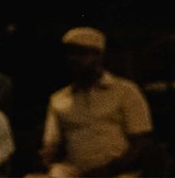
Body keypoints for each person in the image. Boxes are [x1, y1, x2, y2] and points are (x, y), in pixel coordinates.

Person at [35, 27, 153, 177]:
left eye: (81, 53)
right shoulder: (59, 99)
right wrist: (47, 157)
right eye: (71, 53)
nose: (74, 59)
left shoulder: (126, 91)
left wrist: (110, 169)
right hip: (76, 172)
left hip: (118, 172)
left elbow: (140, 143)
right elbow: (52, 144)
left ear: (98, 56)